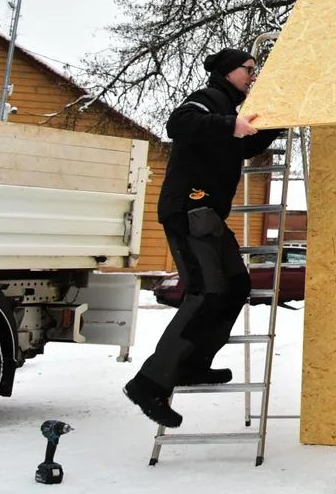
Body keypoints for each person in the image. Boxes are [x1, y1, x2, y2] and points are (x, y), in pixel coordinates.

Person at [124, 47, 283, 428]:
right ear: (228, 72)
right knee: (207, 291)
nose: (253, 75)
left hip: (207, 216)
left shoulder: (229, 107)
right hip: (188, 212)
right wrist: (230, 123)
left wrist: (277, 122)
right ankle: (148, 383)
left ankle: (194, 365)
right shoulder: (208, 98)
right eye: (248, 69)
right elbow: (179, 123)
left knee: (234, 284)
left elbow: (244, 145)